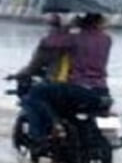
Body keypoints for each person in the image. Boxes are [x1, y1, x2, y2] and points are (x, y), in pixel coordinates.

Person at [21, 13, 112, 150]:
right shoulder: (107, 39)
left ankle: (44, 132)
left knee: (34, 94)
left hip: (77, 88)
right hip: (101, 90)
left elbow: (48, 43)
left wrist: (68, 27)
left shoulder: (75, 38)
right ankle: (111, 137)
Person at [13, 14, 71, 83]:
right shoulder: (78, 40)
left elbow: (34, 65)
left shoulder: (49, 43)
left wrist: (17, 75)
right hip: (80, 81)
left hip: (57, 81)